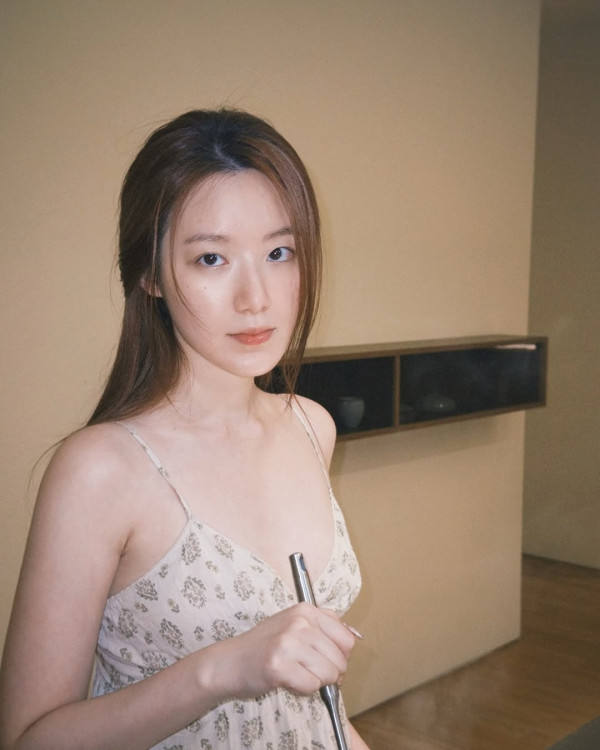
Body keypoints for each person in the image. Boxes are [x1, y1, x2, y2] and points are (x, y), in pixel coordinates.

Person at [0, 109, 368, 750]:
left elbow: (305, 710)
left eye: (279, 253)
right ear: (149, 274)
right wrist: (222, 668)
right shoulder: (102, 470)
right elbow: (30, 738)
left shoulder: (312, 427)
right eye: (211, 258)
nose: (256, 298)